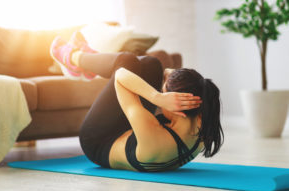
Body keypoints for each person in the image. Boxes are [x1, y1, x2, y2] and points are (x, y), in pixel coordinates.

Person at [50, 32, 224, 172]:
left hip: (98, 140)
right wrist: (166, 88)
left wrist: (157, 97)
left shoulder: (152, 133)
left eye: (164, 93)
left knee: (125, 61)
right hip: (134, 135)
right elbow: (182, 79)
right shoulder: (202, 125)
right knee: (152, 64)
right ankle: (91, 63)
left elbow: (120, 76)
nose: (162, 97)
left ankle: (72, 57)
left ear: (176, 107)